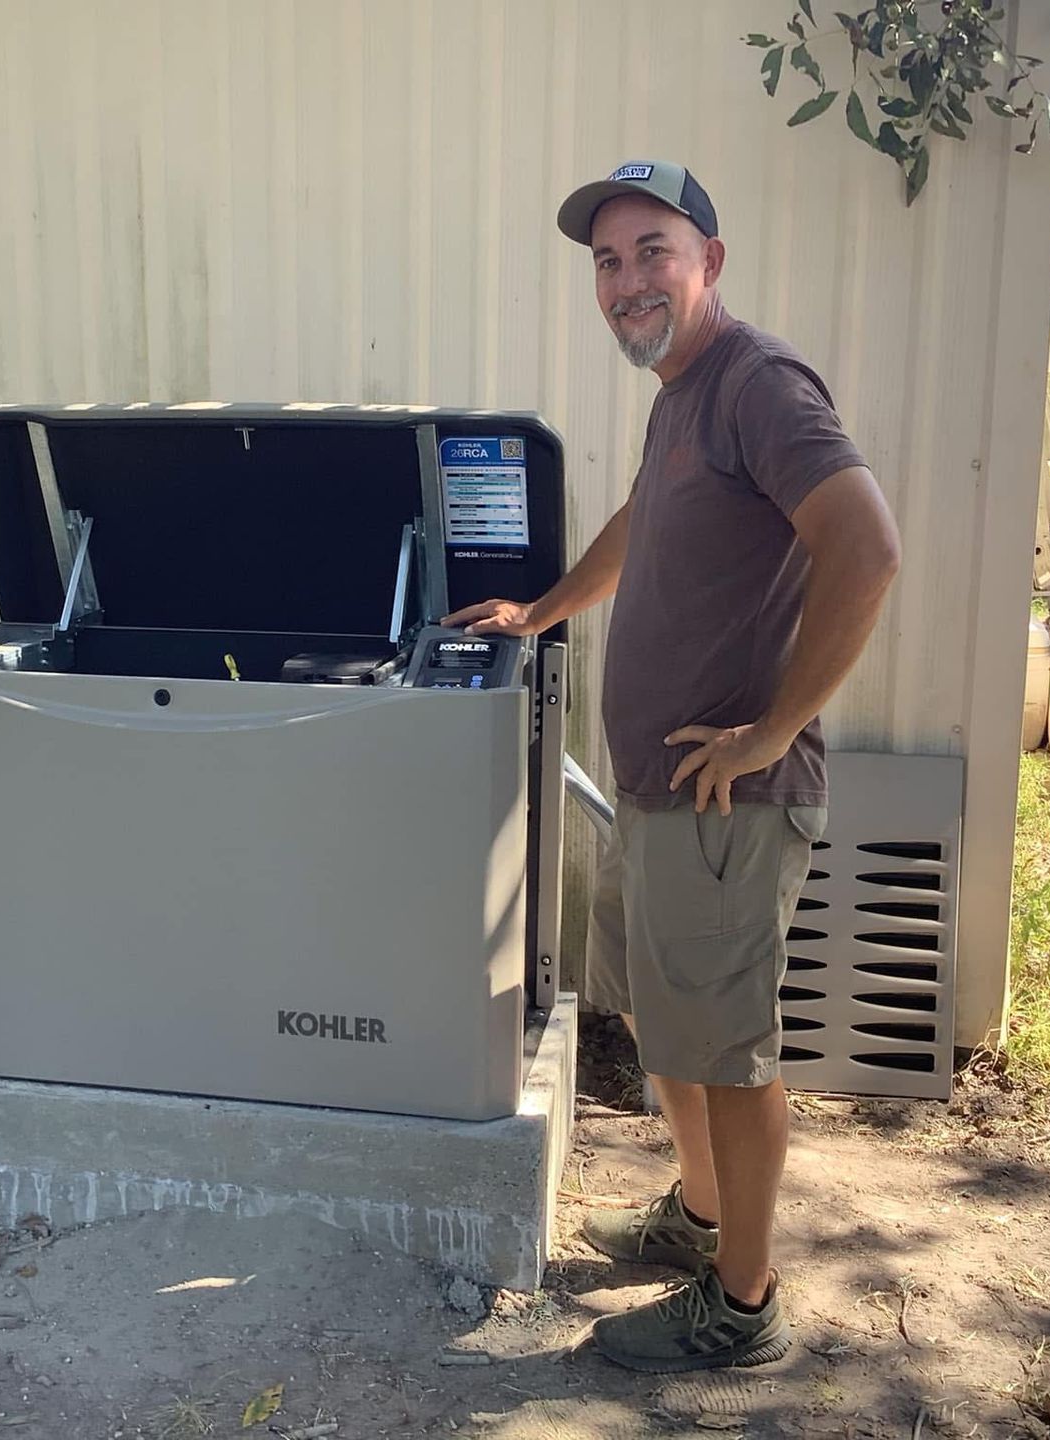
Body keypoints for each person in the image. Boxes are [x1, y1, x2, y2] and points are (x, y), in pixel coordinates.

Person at [443, 161, 901, 1374]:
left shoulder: (756, 382)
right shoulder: (680, 394)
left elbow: (867, 548)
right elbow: (646, 521)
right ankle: (697, 1221)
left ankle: (743, 1307)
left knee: (730, 1055)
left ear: (709, 261)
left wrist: (768, 729)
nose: (627, 280)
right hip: (659, 794)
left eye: (652, 249)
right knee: (671, 1029)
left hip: (727, 804)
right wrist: (544, 608)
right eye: (606, 261)